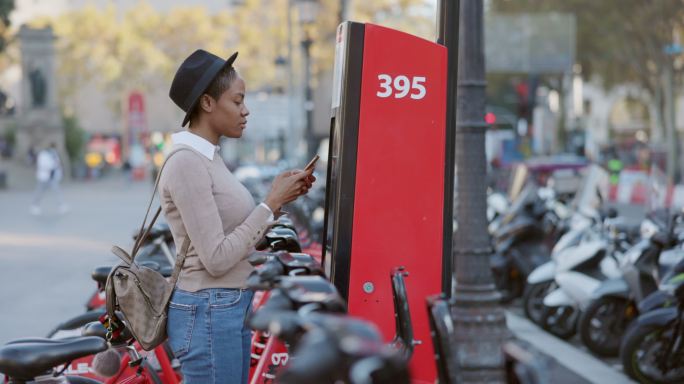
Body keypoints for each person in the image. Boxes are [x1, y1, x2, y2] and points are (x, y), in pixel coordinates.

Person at [161, 49, 314, 384]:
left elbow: (236, 239)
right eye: (237, 101)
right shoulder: (187, 162)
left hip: (224, 307)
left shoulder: (209, 158)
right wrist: (270, 203)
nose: (246, 111)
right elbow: (216, 258)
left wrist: (278, 197)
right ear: (207, 103)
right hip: (209, 310)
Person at [30, 142, 68, 215]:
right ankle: (34, 206)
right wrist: (53, 165)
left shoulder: (54, 154)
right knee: (40, 191)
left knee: (57, 191)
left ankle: (61, 205)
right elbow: (43, 165)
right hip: (44, 177)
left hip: (52, 177)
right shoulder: (43, 155)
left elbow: (57, 163)